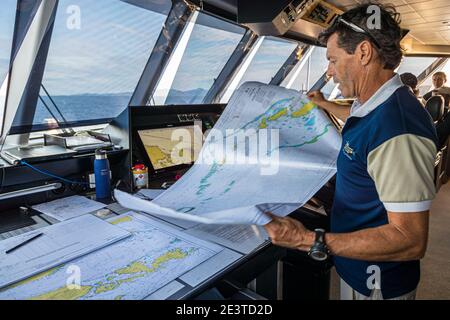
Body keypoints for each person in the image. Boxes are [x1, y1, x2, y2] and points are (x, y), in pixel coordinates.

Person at [264, 2, 438, 300]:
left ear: (363, 52)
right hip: (359, 268)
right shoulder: (378, 103)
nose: (329, 72)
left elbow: (409, 239)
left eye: (332, 60)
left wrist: (307, 240)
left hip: (378, 284)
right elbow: (363, 120)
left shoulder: (399, 132)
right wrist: (325, 106)